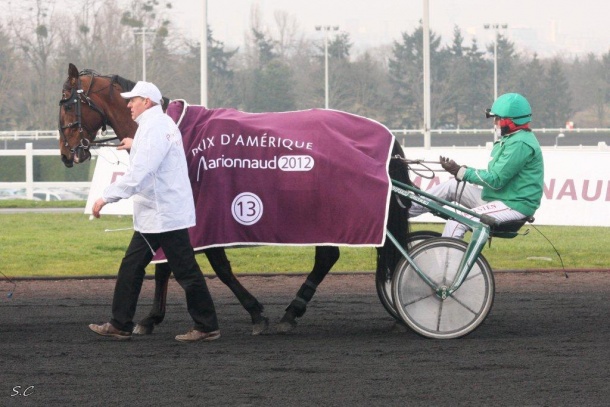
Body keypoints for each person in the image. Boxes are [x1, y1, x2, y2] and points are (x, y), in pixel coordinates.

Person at [88, 81, 220, 343]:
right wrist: (133, 144)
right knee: (132, 267)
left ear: (146, 102)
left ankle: (206, 326)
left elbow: (141, 173)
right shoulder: (156, 125)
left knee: (186, 272)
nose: (129, 105)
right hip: (157, 215)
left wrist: (106, 197)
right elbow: (153, 154)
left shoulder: (155, 128)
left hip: (164, 215)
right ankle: (120, 324)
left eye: (133, 100)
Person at [409, 92, 544, 238]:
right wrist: (460, 171)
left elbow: (495, 180)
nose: (494, 123)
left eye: (497, 119)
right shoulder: (512, 139)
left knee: (456, 221)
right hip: (501, 198)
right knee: (451, 186)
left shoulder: (520, 143)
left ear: (510, 121)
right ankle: (404, 211)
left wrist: (461, 171)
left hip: (513, 205)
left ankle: (447, 253)